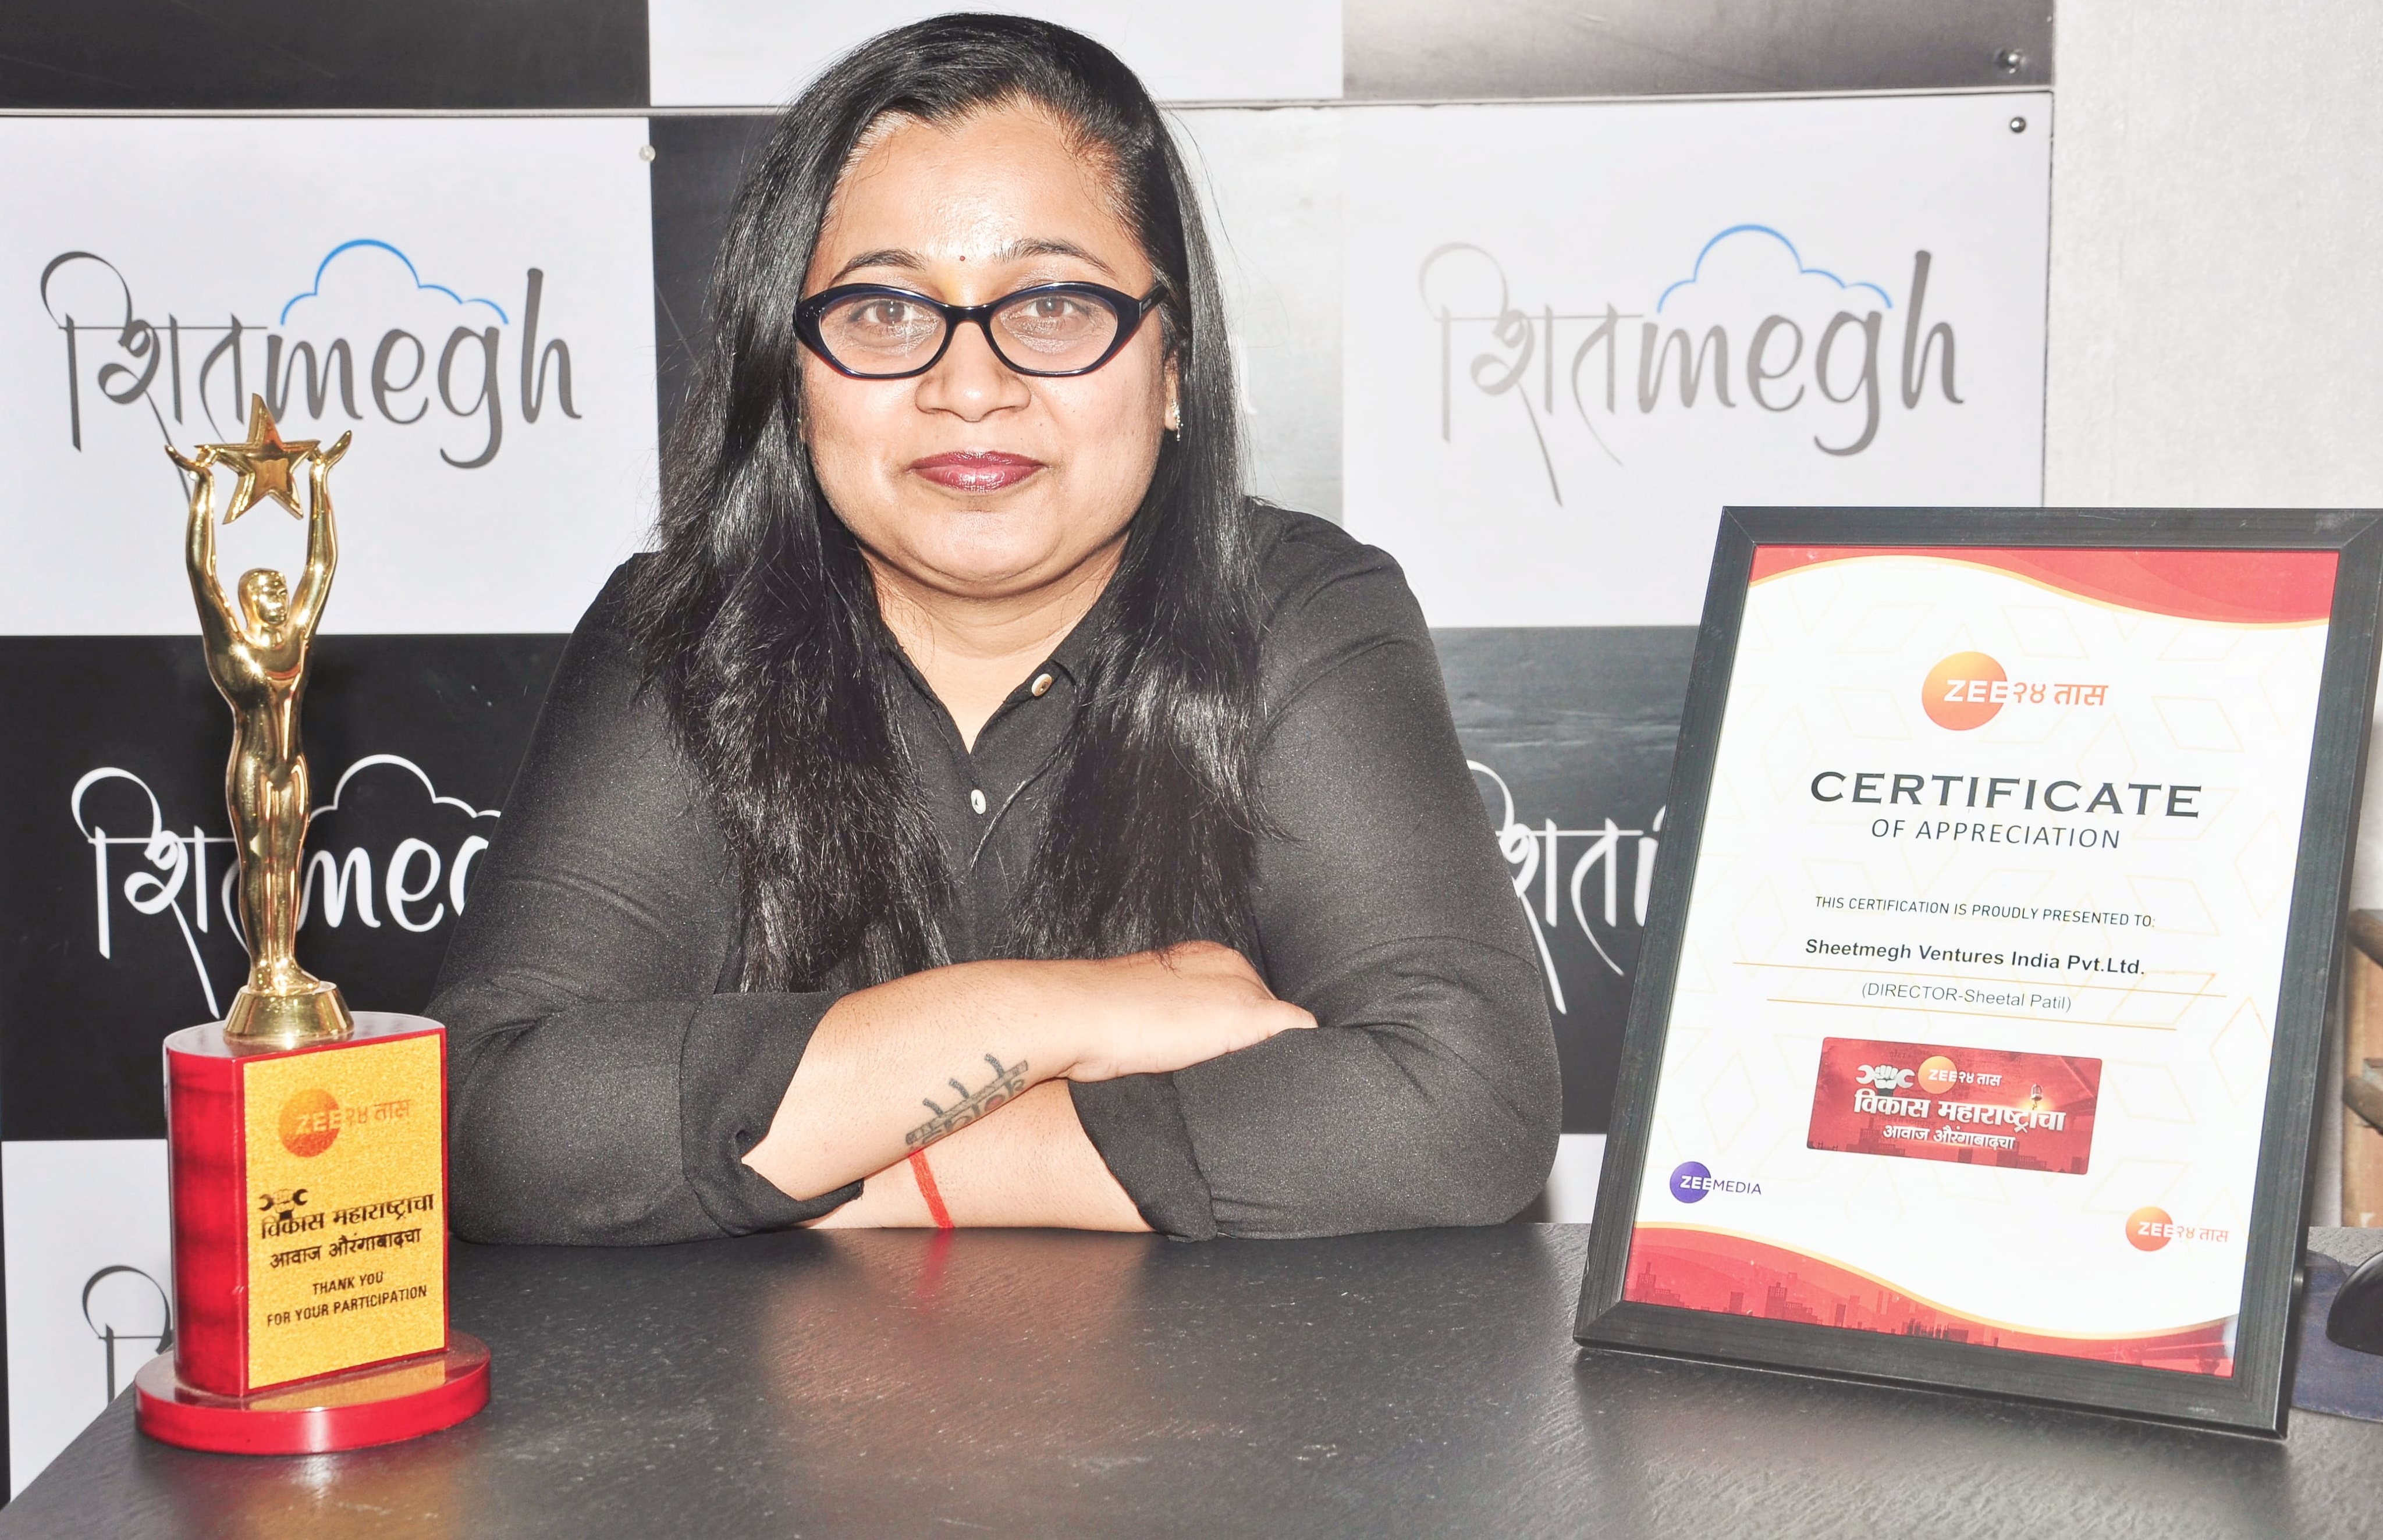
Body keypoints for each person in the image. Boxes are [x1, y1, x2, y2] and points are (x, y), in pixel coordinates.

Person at [429, 13, 1560, 1243]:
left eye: (1054, 305)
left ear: (1172, 368)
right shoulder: (682, 631)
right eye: (882, 312)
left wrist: (846, 1164)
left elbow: (1464, 1103)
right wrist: (1069, 1011)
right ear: (792, 381)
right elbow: (496, 1119)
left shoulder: (1294, 608)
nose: (969, 387)